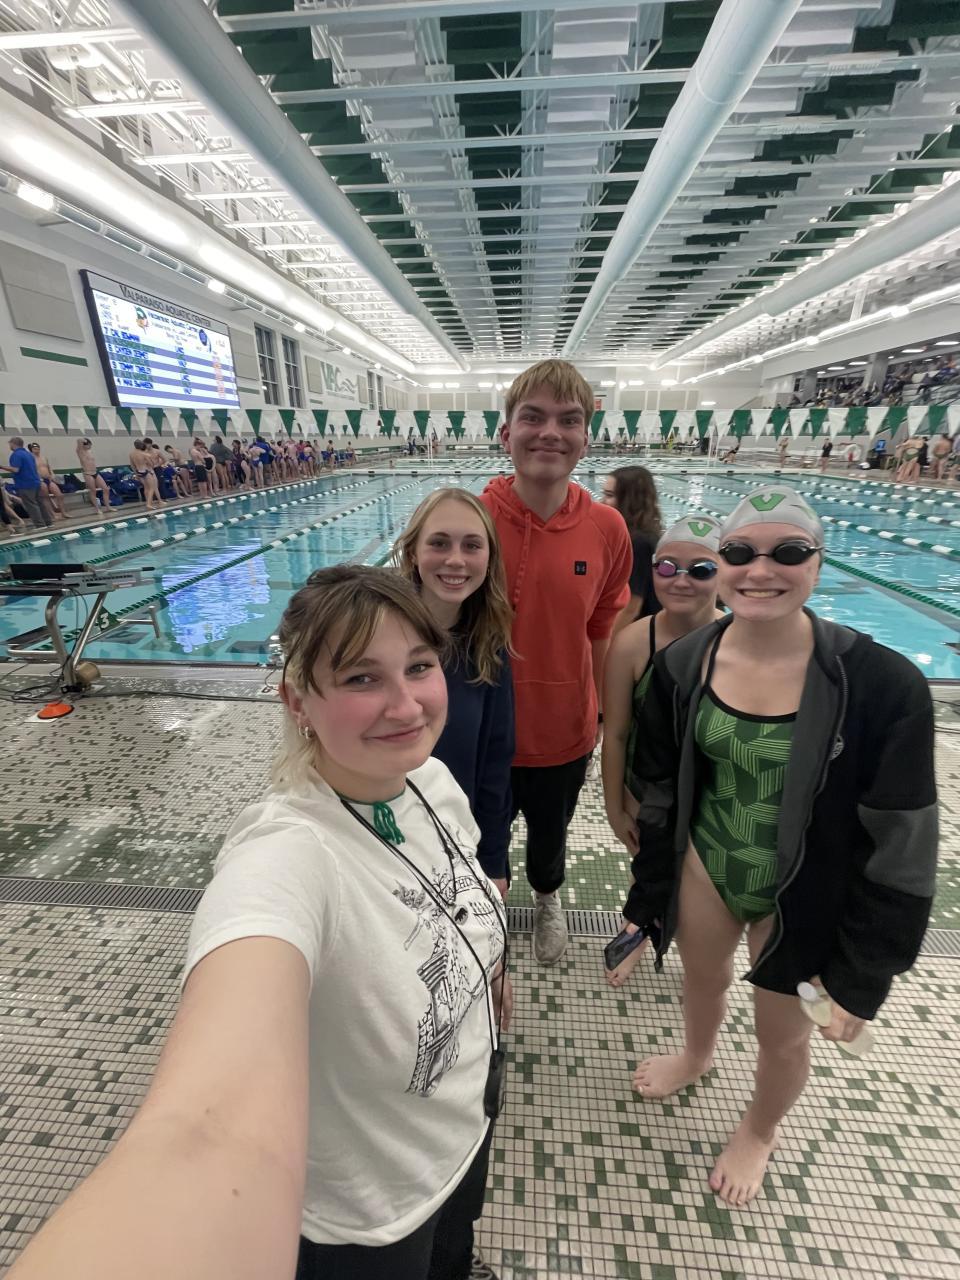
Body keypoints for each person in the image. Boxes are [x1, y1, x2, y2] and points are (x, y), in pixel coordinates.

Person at [9, 565, 509, 1280]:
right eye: (361, 678)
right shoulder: (287, 854)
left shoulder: (431, 782)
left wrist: (491, 969)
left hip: (461, 1129)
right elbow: (204, 1128)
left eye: (419, 666)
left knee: (454, 1256)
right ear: (298, 700)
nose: (405, 704)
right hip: (370, 1219)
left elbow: (459, 903)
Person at [624, 485, 937, 1207]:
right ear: (723, 562)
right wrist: (649, 891)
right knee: (701, 980)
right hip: (711, 862)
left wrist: (864, 973)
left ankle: (759, 1130)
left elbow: (903, 843)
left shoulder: (883, 685)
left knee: (782, 1035)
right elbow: (659, 787)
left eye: (788, 552)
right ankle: (697, 1054)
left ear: (819, 563)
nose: (760, 570)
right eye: (740, 552)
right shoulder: (685, 664)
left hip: (808, 888)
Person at [480, 360, 632, 964]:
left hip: (564, 728)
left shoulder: (607, 528)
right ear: (505, 433)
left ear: (585, 439)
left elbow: (601, 630)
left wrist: (601, 715)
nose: (550, 432)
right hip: (483, 727)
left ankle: (548, 899)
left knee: (551, 835)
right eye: (533, 417)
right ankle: (481, 913)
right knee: (478, 835)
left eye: (568, 420)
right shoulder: (472, 519)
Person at [601, 515, 724, 987]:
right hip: (647, 785)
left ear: (724, 574)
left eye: (701, 570)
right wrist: (615, 807)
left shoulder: (740, 639)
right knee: (647, 861)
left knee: (701, 880)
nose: (681, 580)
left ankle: (690, 942)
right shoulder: (633, 643)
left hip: (715, 789)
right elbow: (615, 734)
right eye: (667, 567)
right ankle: (639, 928)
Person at [395, 488, 515, 901]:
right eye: (439, 543)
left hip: (454, 842)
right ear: (413, 553)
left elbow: (496, 760)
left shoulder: (488, 647)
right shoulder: (376, 635)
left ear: (489, 559)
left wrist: (493, 860)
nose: (456, 560)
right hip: (379, 839)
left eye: (472, 546)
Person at [599, 466, 663, 632]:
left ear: (630, 500)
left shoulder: (639, 543)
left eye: (609, 495)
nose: (601, 501)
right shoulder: (640, 534)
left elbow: (631, 606)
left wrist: (603, 641)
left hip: (639, 632)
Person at [0, 435, 53, 528]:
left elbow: (16, 469)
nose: (9, 446)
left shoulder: (16, 455)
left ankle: (40, 525)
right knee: (40, 503)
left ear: (13, 444)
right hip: (36, 482)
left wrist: (1, 467)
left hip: (25, 484)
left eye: (10, 444)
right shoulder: (29, 454)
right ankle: (48, 523)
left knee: (31, 505)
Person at [28, 443, 66, 518]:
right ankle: (52, 514)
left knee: (60, 495)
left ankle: (63, 513)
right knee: (46, 497)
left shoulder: (44, 458)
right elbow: (31, 471)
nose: (37, 450)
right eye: (35, 449)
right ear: (31, 450)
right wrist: (38, 478)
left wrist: (52, 475)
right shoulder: (31, 459)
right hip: (40, 480)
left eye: (38, 448)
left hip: (48, 479)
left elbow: (49, 467)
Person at [74, 438, 111, 514]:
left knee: (106, 489)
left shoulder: (89, 451)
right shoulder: (80, 452)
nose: (90, 447)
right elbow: (79, 440)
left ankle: (108, 507)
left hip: (95, 472)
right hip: (88, 474)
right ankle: (97, 509)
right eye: (89, 445)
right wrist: (85, 440)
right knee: (93, 491)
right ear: (85, 445)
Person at [129, 439, 162, 512]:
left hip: (139, 472)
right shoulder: (144, 454)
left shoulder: (131, 454)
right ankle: (149, 504)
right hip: (146, 471)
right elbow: (151, 464)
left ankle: (148, 502)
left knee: (146, 488)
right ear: (141, 445)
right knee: (152, 488)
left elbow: (132, 465)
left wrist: (136, 473)